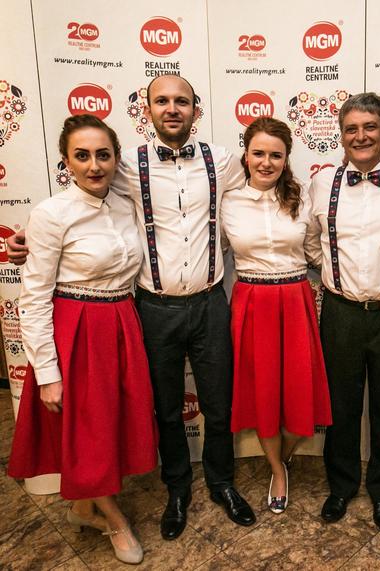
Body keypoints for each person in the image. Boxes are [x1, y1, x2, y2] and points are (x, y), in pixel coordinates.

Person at [7, 74, 256, 540]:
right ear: (148, 110)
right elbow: (78, 201)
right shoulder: (123, 167)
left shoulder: (223, 161)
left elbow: (260, 193)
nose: (172, 108)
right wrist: (26, 240)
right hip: (153, 310)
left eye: (181, 101)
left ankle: (222, 483)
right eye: (162, 101)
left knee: (219, 404)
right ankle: (177, 489)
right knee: (166, 408)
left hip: (209, 304)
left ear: (195, 109)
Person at [7, 114, 158, 564]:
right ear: (66, 161)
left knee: (111, 426)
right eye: (82, 155)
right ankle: (114, 520)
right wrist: (48, 374)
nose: (94, 165)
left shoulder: (126, 203)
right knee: (88, 431)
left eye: (103, 155)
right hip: (77, 332)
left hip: (122, 322)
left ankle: (84, 508)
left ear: (116, 159)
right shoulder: (50, 214)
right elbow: (34, 298)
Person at [306, 92, 380, 531]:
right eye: (351, 128)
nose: (361, 136)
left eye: (370, 127)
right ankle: (341, 486)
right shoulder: (322, 183)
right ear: (341, 135)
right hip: (341, 312)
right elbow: (311, 241)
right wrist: (336, 273)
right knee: (341, 406)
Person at [221, 117, 331, 514]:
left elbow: (316, 251)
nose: (266, 162)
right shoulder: (228, 202)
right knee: (264, 393)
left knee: (301, 390)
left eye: (276, 155)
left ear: (286, 159)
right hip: (252, 303)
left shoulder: (301, 199)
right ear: (246, 156)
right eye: (259, 153)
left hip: (296, 300)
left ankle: (284, 456)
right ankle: (277, 470)